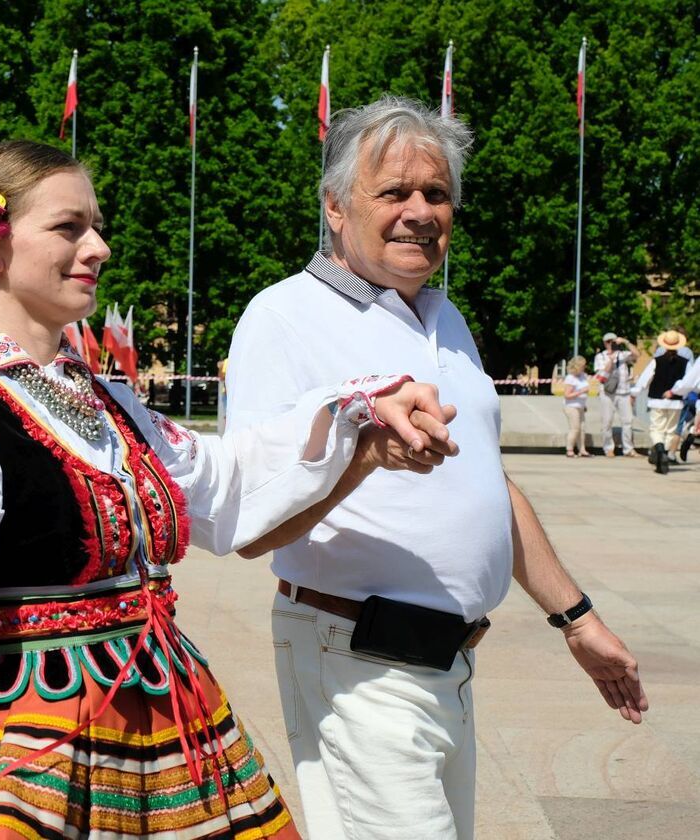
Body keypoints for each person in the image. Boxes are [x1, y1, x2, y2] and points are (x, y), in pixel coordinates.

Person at [0, 141, 454, 839]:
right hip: (33, 742)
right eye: (69, 228)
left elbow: (222, 485)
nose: (97, 247)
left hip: (163, 726)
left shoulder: (100, 399)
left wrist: (361, 416)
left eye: (96, 227)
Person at [227, 98, 647, 839]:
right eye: (393, 192)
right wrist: (363, 456)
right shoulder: (282, 316)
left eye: (437, 193)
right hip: (357, 662)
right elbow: (247, 522)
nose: (420, 211)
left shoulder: (441, 318)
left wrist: (576, 618)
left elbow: (488, 482)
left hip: (446, 666)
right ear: (334, 207)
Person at [632, 330, 689, 474]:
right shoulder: (685, 363)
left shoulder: (656, 361)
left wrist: (635, 393)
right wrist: (676, 392)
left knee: (657, 428)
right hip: (675, 402)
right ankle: (664, 453)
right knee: (671, 430)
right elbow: (687, 383)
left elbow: (644, 380)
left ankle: (659, 450)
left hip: (657, 400)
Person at [594, 331, 640, 456]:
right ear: (604, 343)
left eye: (613, 341)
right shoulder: (600, 357)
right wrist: (612, 359)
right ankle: (608, 448)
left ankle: (628, 449)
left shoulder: (623, 354)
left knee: (627, 421)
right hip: (607, 392)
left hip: (624, 391)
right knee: (607, 421)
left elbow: (637, 355)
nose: (611, 344)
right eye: (608, 342)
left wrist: (626, 342)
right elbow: (601, 375)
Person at [562, 356, 591, 457]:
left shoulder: (583, 376)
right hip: (571, 406)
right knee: (575, 428)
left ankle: (582, 449)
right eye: (583, 365)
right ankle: (569, 449)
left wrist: (584, 404)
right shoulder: (570, 378)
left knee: (582, 429)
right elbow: (567, 395)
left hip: (581, 406)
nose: (585, 367)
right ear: (577, 366)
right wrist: (581, 392)